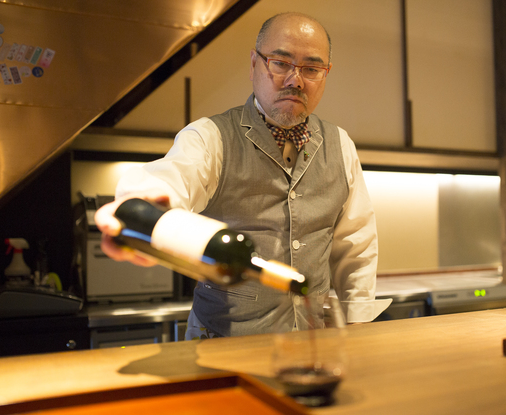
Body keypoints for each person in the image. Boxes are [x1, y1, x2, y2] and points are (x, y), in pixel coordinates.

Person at [94, 12, 379, 339]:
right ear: (254, 64)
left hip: (311, 342)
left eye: (311, 69)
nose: (295, 80)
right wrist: (142, 205)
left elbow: (356, 246)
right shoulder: (210, 137)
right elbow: (168, 181)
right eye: (280, 63)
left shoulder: (340, 145)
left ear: (325, 74)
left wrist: (358, 327)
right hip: (223, 343)